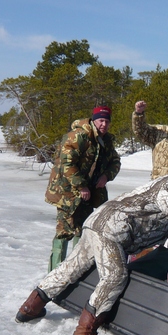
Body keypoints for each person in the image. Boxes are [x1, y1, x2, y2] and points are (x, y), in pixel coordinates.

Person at [15, 168, 168, 335]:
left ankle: (30, 308)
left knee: (70, 268)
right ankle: (84, 333)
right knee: (115, 277)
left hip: (97, 223)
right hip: (111, 231)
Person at [44, 105, 121, 271]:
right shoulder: (78, 136)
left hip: (89, 193)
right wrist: (82, 186)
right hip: (67, 193)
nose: (104, 124)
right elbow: (66, 163)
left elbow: (115, 161)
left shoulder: (105, 140)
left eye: (107, 121)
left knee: (83, 230)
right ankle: (54, 273)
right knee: (64, 232)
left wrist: (106, 175)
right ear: (94, 120)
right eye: (101, 120)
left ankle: (75, 270)